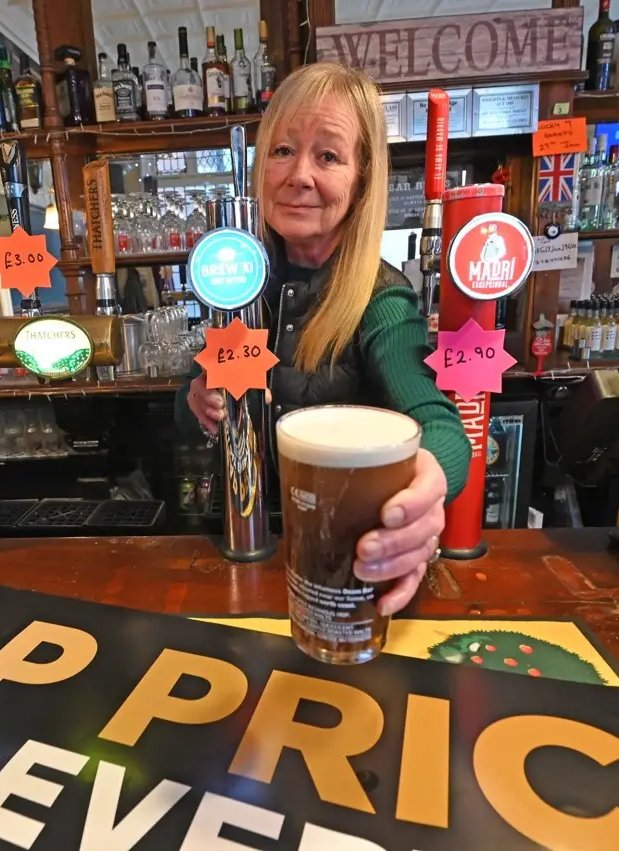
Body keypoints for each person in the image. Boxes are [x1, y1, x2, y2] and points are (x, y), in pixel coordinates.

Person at [176, 62, 470, 615]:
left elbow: (440, 424)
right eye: (283, 150)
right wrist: (197, 399)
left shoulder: (380, 297)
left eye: (328, 156)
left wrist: (425, 492)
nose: (299, 176)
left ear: (361, 181)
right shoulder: (236, 278)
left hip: (338, 568)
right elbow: (192, 398)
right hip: (235, 552)